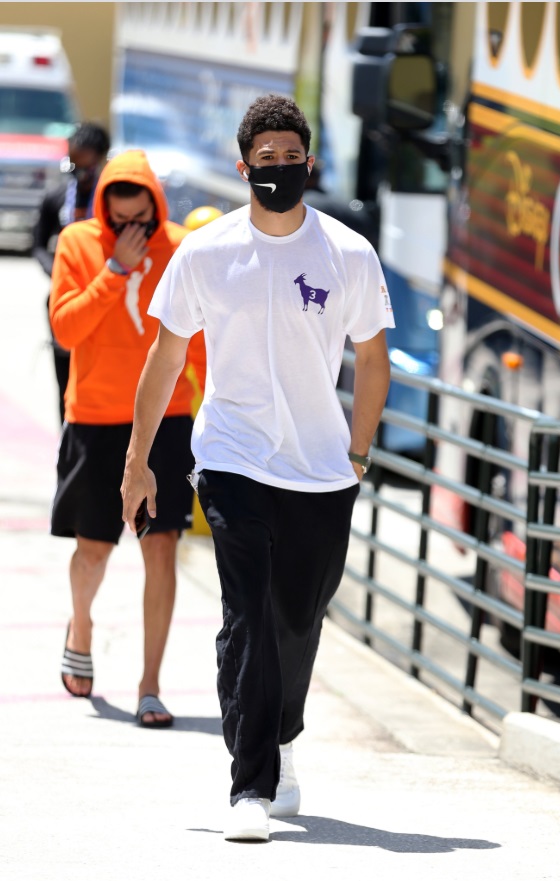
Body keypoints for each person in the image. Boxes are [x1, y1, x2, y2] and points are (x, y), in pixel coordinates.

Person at [121, 94, 394, 837]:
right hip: (232, 459)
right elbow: (166, 353)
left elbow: (372, 356)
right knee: (246, 616)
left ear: (310, 162)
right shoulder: (208, 254)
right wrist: (137, 460)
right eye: (264, 160)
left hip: (320, 469)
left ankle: (282, 735)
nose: (278, 169)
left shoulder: (346, 252)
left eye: (290, 157)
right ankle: (250, 786)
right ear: (244, 168)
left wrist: (359, 450)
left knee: (295, 620)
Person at [49, 149, 205, 728]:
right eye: (120, 220)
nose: (133, 231)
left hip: (167, 418)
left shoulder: (181, 248)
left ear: (155, 207)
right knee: (93, 548)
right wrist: (113, 270)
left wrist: (213, 403)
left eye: (142, 219)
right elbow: (66, 330)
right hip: (95, 415)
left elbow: (201, 338)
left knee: (160, 545)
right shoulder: (79, 244)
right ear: (104, 211)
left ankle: (150, 685)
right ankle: (81, 626)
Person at [33, 122, 110, 423]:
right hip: (66, 297)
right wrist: (58, 272)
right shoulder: (56, 197)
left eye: (86, 161)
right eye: (74, 160)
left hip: (106, 294)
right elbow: (38, 244)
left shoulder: (113, 198)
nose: (79, 169)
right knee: (65, 377)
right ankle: (65, 432)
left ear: (102, 157)